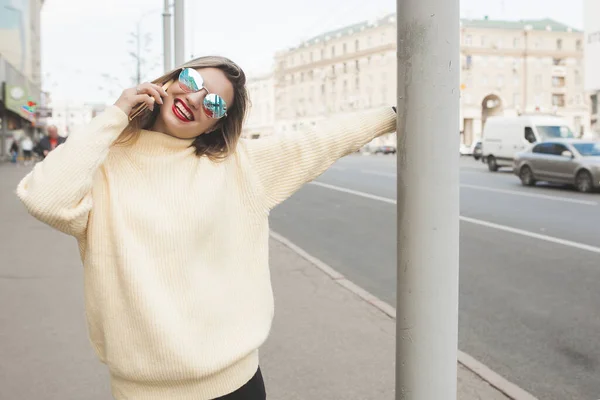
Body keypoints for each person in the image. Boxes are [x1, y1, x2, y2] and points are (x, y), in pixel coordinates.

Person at [16, 56, 396, 400]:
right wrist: (116, 114)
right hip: (142, 392)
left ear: (217, 124)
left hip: (235, 384)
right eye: (192, 79)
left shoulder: (237, 167)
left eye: (214, 103)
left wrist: (395, 113)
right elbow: (45, 198)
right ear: (168, 80)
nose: (196, 99)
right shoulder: (104, 166)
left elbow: (318, 142)